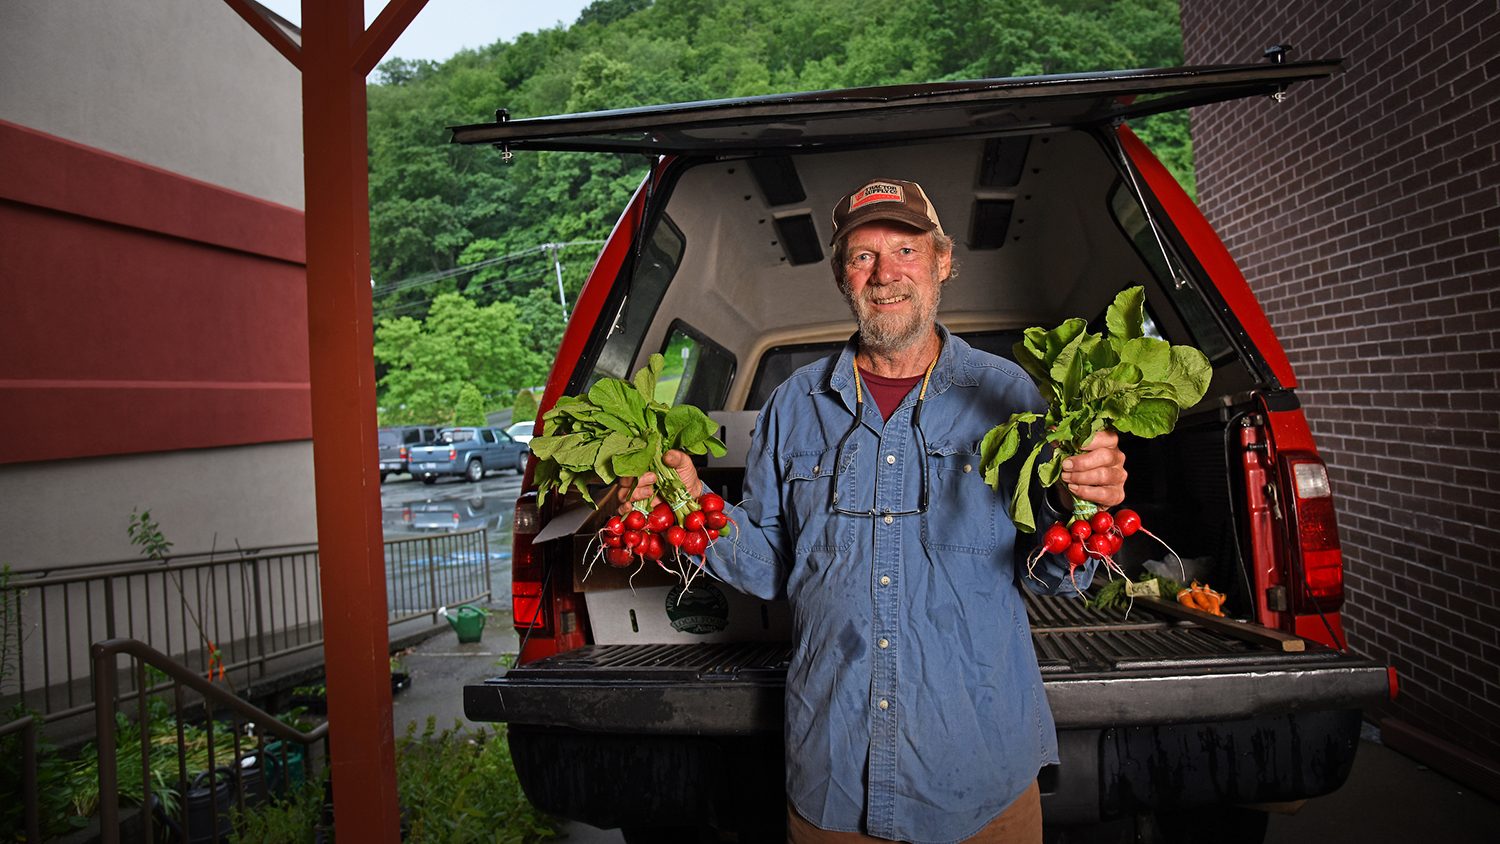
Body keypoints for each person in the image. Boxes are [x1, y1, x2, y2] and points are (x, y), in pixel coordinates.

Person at [627, 178, 1127, 843]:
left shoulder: (1009, 394)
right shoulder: (793, 405)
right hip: (834, 776)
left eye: (906, 250)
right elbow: (773, 567)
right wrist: (688, 501)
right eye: (863, 256)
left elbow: (1053, 575)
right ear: (842, 276)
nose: (886, 273)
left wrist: (1085, 503)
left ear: (943, 261)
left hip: (981, 778)